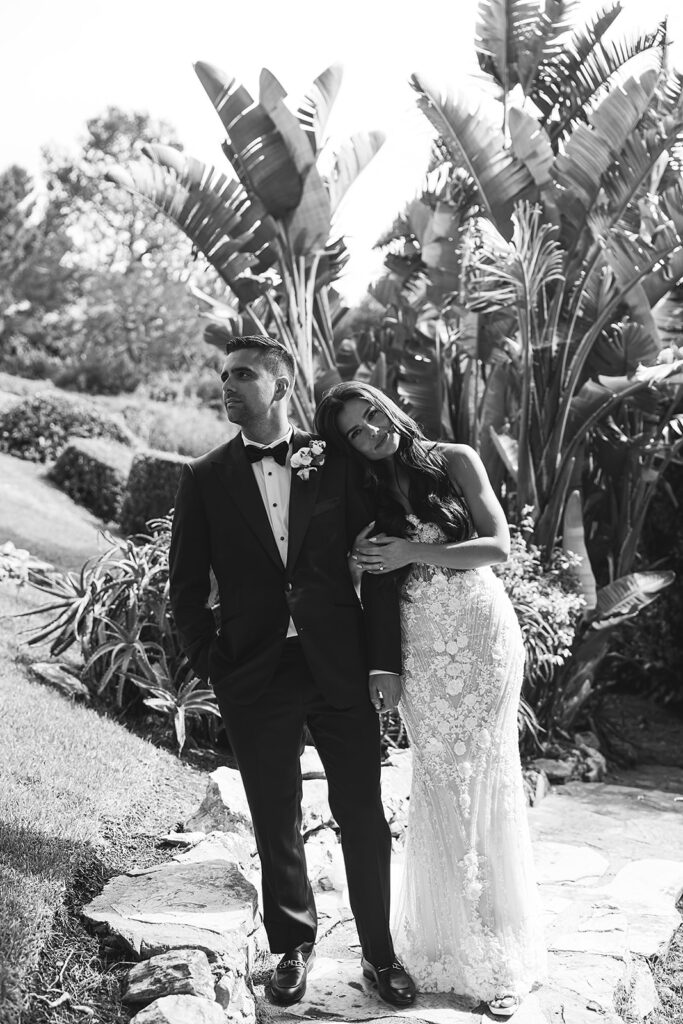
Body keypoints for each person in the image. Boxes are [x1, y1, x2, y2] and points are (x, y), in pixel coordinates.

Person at [169, 337, 416, 1009]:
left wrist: (382, 661)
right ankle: (292, 947)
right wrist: (216, 666)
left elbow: (378, 565)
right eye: (223, 375)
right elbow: (184, 592)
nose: (228, 384)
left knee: (361, 812)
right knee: (274, 816)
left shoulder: (334, 463)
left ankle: (377, 954)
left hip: (337, 662)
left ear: (279, 387)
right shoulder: (203, 478)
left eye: (243, 374)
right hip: (254, 670)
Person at [315, 381, 547, 1018]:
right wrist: (380, 655)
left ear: (390, 406)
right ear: (347, 446)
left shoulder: (456, 458)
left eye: (374, 416)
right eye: (355, 432)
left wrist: (411, 551)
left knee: (491, 778)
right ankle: (447, 941)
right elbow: (364, 579)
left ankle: (499, 949)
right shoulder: (360, 488)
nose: (372, 432)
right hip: (418, 645)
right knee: (443, 781)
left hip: (482, 632)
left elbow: (497, 546)